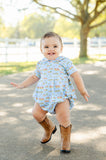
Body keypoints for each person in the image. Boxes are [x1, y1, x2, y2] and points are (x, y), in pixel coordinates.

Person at [11, 32, 89, 153]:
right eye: (46, 47)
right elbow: (34, 77)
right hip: (44, 95)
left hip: (61, 96)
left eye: (55, 46)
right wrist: (22, 85)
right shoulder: (41, 64)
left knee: (63, 117)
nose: (51, 49)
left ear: (61, 48)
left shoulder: (65, 62)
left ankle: (65, 139)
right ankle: (49, 128)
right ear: (41, 50)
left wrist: (82, 90)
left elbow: (75, 75)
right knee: (36, 113)